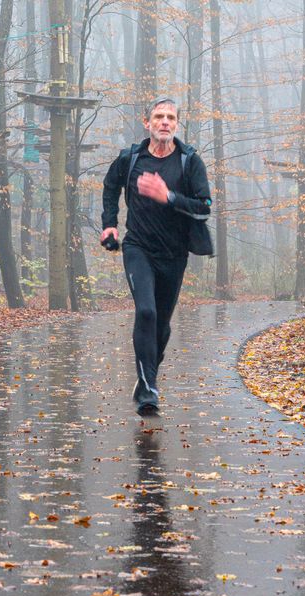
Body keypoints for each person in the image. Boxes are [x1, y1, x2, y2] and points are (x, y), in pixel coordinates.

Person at [100, 98, 212, 416]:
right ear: (146, 122)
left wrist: (169, 197)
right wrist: (110, 223)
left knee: (161, 326)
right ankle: (148, 390)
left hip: (174, 255)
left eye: (170, 118)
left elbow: (204, 206)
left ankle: (147, 377)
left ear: (177, 124)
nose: (165, 122)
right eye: (158, 117)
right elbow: (110, 186)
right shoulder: (131, 158)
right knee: (146, 312)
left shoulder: (190, 162)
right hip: (138, 248)